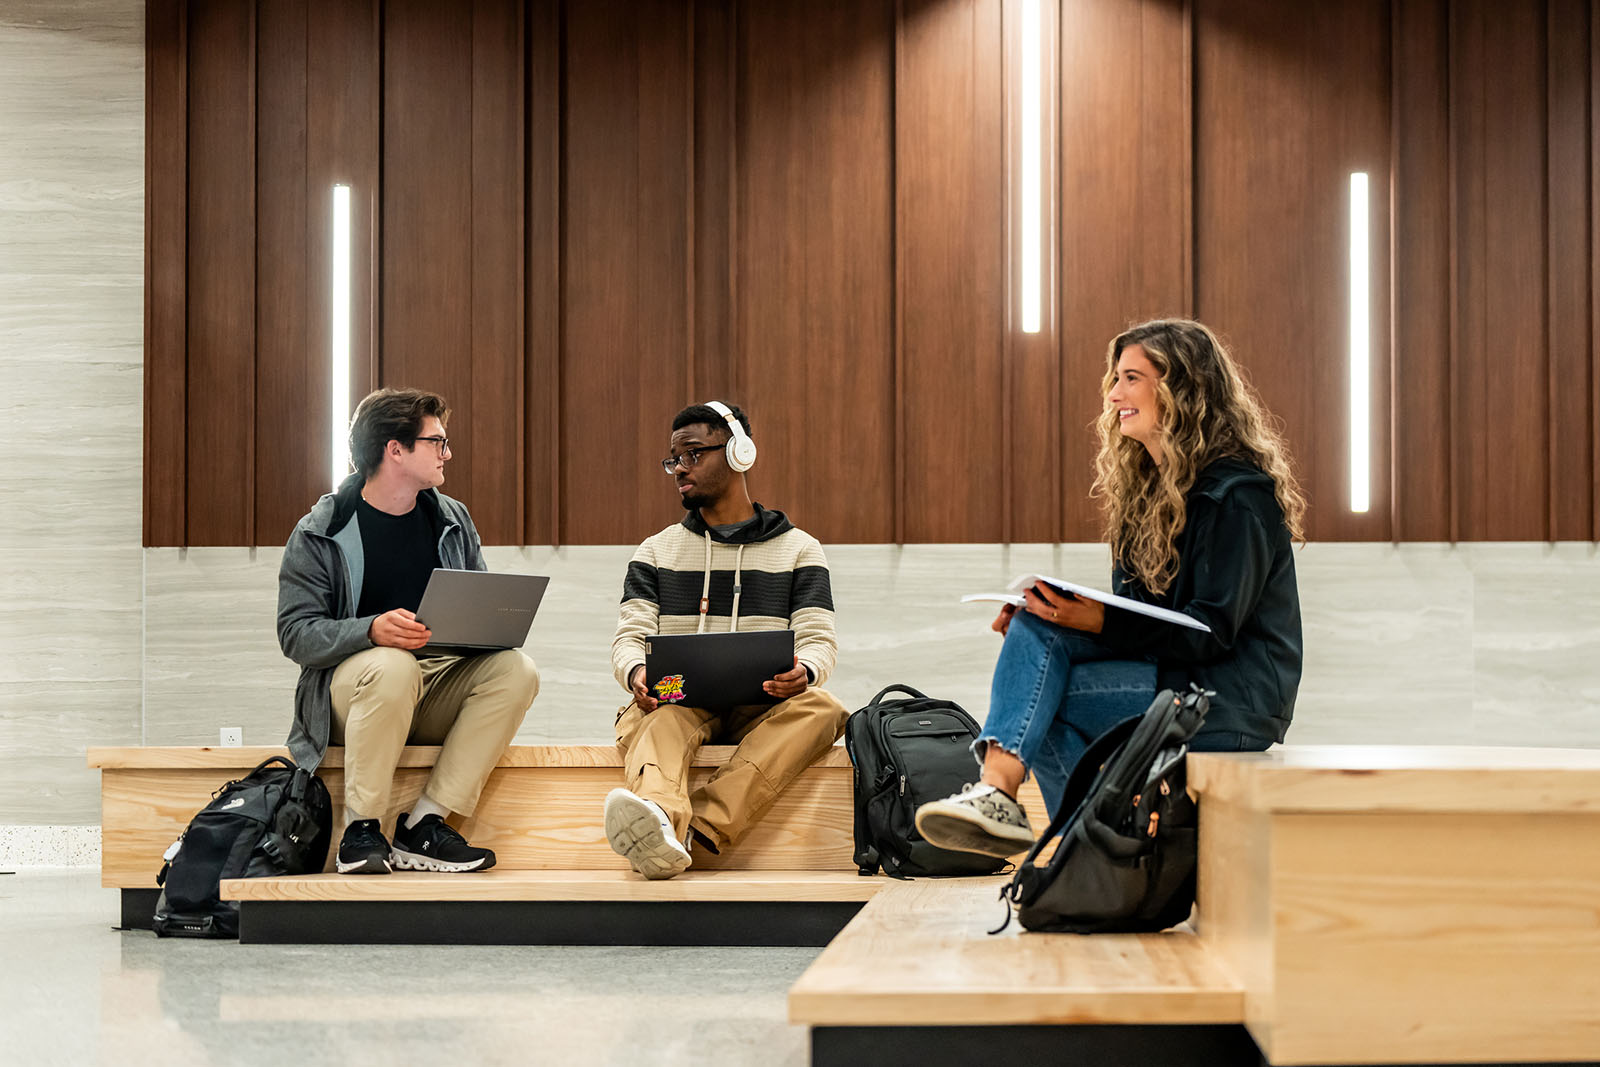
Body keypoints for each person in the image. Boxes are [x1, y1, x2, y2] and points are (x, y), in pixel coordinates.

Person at [916, 319, 1304, 858]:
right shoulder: (1143, 496)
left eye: (1131, 379)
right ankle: (1065, 838)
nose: (1115, 395)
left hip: (1229, 698)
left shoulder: (1237, 497)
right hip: (1175, 678)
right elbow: (1144, 623)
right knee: (1036, 625)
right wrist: (1054, 613)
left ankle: (1064, 838)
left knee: (1045, 705)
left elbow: (1209, 634)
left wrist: (1098, 622)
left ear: (1181, 388)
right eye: (1115, 380)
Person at [277, 388, 540, 875]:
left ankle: (424, 824)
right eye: (437, 442)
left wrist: (492, 626)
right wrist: (370, 630)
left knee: (516, 671)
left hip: (431, 685)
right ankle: (361, 829)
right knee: (392, 665)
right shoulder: (322, 529)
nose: (448, 453)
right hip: (350, 696)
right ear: (394, 449)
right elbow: (296, 634)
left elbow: (477, 604)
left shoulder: (451, 519)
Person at [605, 401, 849, 879]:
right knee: (658, 717)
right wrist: (636, 672)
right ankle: (658, 819)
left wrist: (805, 671)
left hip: (761, 704)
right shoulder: (655, 551)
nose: (679, 469)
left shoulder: (800, 549)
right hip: (677, 697)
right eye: (673, 459)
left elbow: (819, 640)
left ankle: (696, 831)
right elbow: (630, 637)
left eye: (692, 454)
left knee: (825, 709)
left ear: (739, 454)